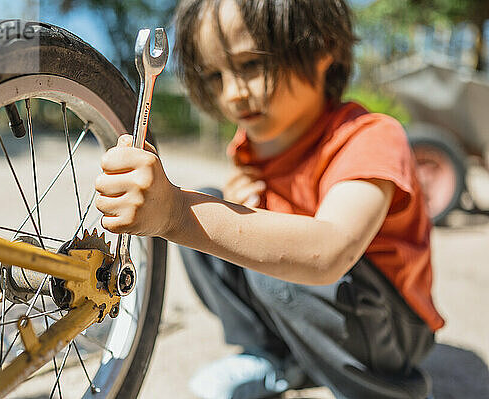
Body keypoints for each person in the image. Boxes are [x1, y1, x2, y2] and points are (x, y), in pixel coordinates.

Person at [94, 0, 444, 398]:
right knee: (213, 205)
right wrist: (223, 207)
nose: (233, 94)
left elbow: (330, 250)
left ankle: (388, 390)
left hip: (394, 326)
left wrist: (176, 212)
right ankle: (274, 356)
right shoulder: (251, 145)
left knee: (232, 232)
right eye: (214, 76)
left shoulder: (369, 136)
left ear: (322, 45)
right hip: (328, 307)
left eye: (251, 65)